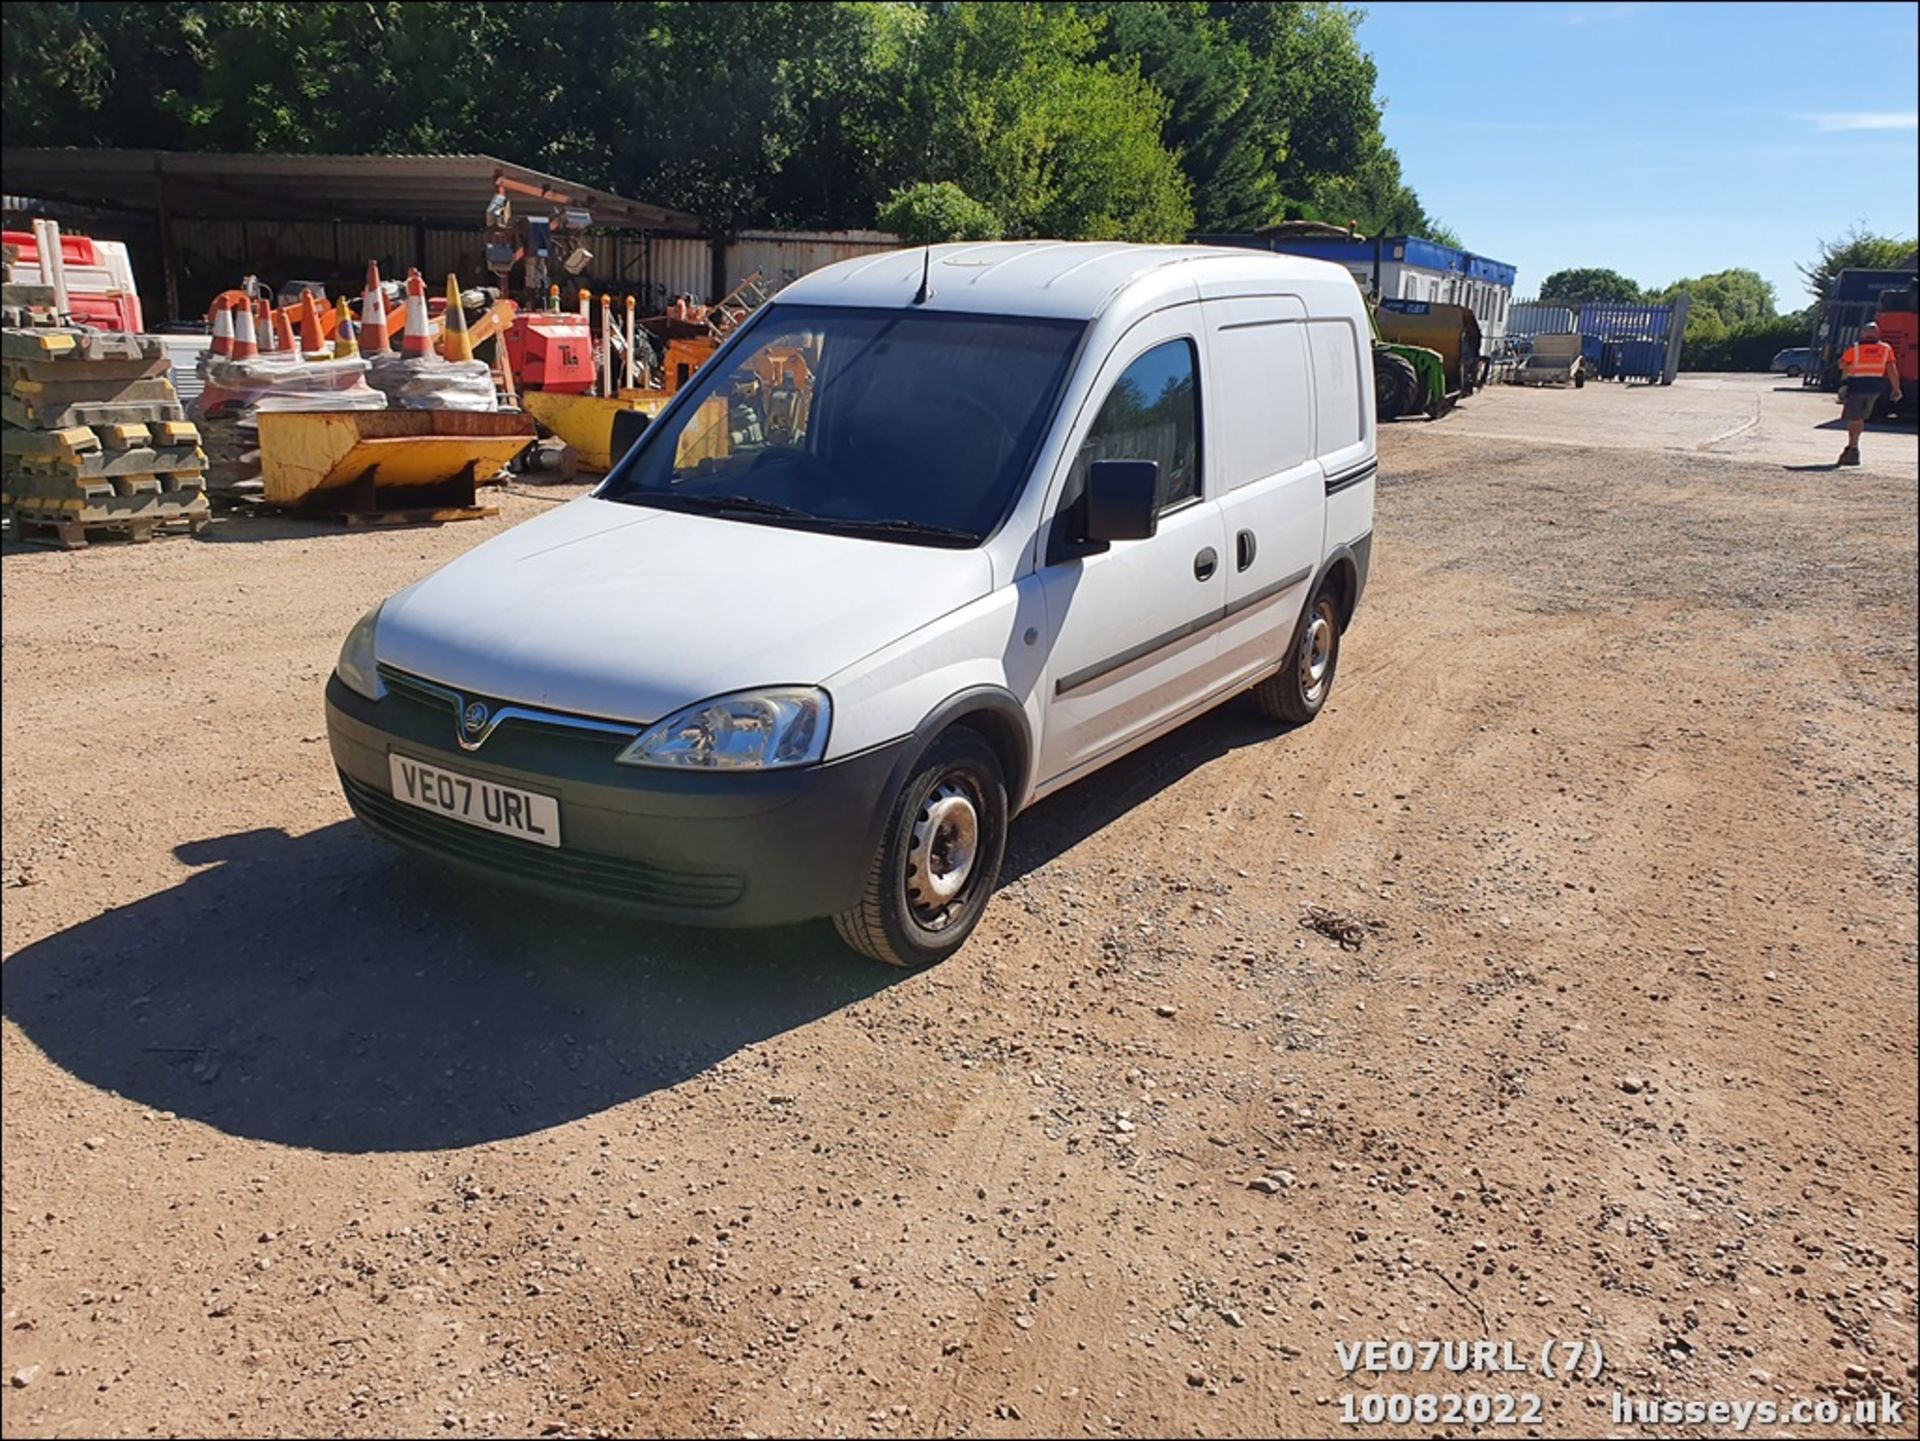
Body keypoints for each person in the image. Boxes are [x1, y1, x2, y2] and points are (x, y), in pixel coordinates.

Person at [1834, 320, 1903, 466]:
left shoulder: (1856, 348)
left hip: (1857, 386)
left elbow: (1842, 364)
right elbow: (1892, 370)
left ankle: (1853, 449)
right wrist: (1896, 389)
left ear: (1863, 333)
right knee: (1860, 418)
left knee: (1854, 419)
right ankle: (1853, 448)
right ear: (1877, 333)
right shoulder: (1886, 349)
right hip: (1875, 388)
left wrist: (1846, 372)